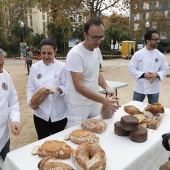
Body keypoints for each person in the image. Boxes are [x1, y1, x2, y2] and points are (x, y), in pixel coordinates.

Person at [65, 18, 119, 128]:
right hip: (78, 105)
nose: (98, 41)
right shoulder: (76, 54)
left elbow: (96, 73)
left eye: (101, 37)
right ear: (85, 34)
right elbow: (78, 86)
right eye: (95, 37)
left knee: (97, 132)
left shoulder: (96, 50)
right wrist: (103, 100)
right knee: (78, 135)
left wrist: (107, 88)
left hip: (94, 102)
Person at [27, 39, 67, 140]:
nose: (46, 56)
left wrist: (56, 90)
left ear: (55, 52)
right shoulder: (35, 68)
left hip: (59, 113)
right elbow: (30, 88)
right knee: (42, 140)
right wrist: (31, 103)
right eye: (43, 53)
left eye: (49, 53)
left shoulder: (62, 67)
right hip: (40, 113)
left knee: (57, 141)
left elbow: (68, 87)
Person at [128, 30, 169, 104]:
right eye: (155, 39)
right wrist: (144, 75)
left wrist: (157, 75)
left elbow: (165, 69)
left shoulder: (160, 55)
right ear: (148, 41)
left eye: (158, 39)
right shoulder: (138, 54)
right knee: (136, 108)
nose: (158, 41)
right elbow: (131, 69)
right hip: (140, 87)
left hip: (154, 88)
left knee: (154, 110)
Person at [0, 48, 21, 161]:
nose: (1, 70)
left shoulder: (5, 75)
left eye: (2, 64)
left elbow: (12, 100)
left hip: (4, 138)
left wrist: (14, 120)